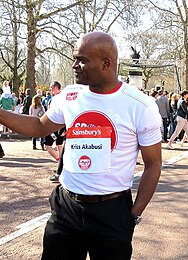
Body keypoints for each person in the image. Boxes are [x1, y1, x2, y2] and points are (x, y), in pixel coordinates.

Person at [0, 32, 162, 260]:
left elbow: (153, 164)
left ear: (107, 63)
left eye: (82, 60)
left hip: (112, 212)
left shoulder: (139, 105)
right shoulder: (70, 95)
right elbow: (38, 126)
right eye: (75, 58)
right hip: (66, 209)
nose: (75, 65)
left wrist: (133, 216)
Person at [42, 82, 65, 162]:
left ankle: (60, 162)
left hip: (54, 125)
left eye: (51, 87)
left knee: (47, 145)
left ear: (55, 87)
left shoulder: (58, 98)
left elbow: (53, 112)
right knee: (59, 144)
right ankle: (61, 163)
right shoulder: (62, 96)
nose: (50, 89)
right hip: (61, 125)